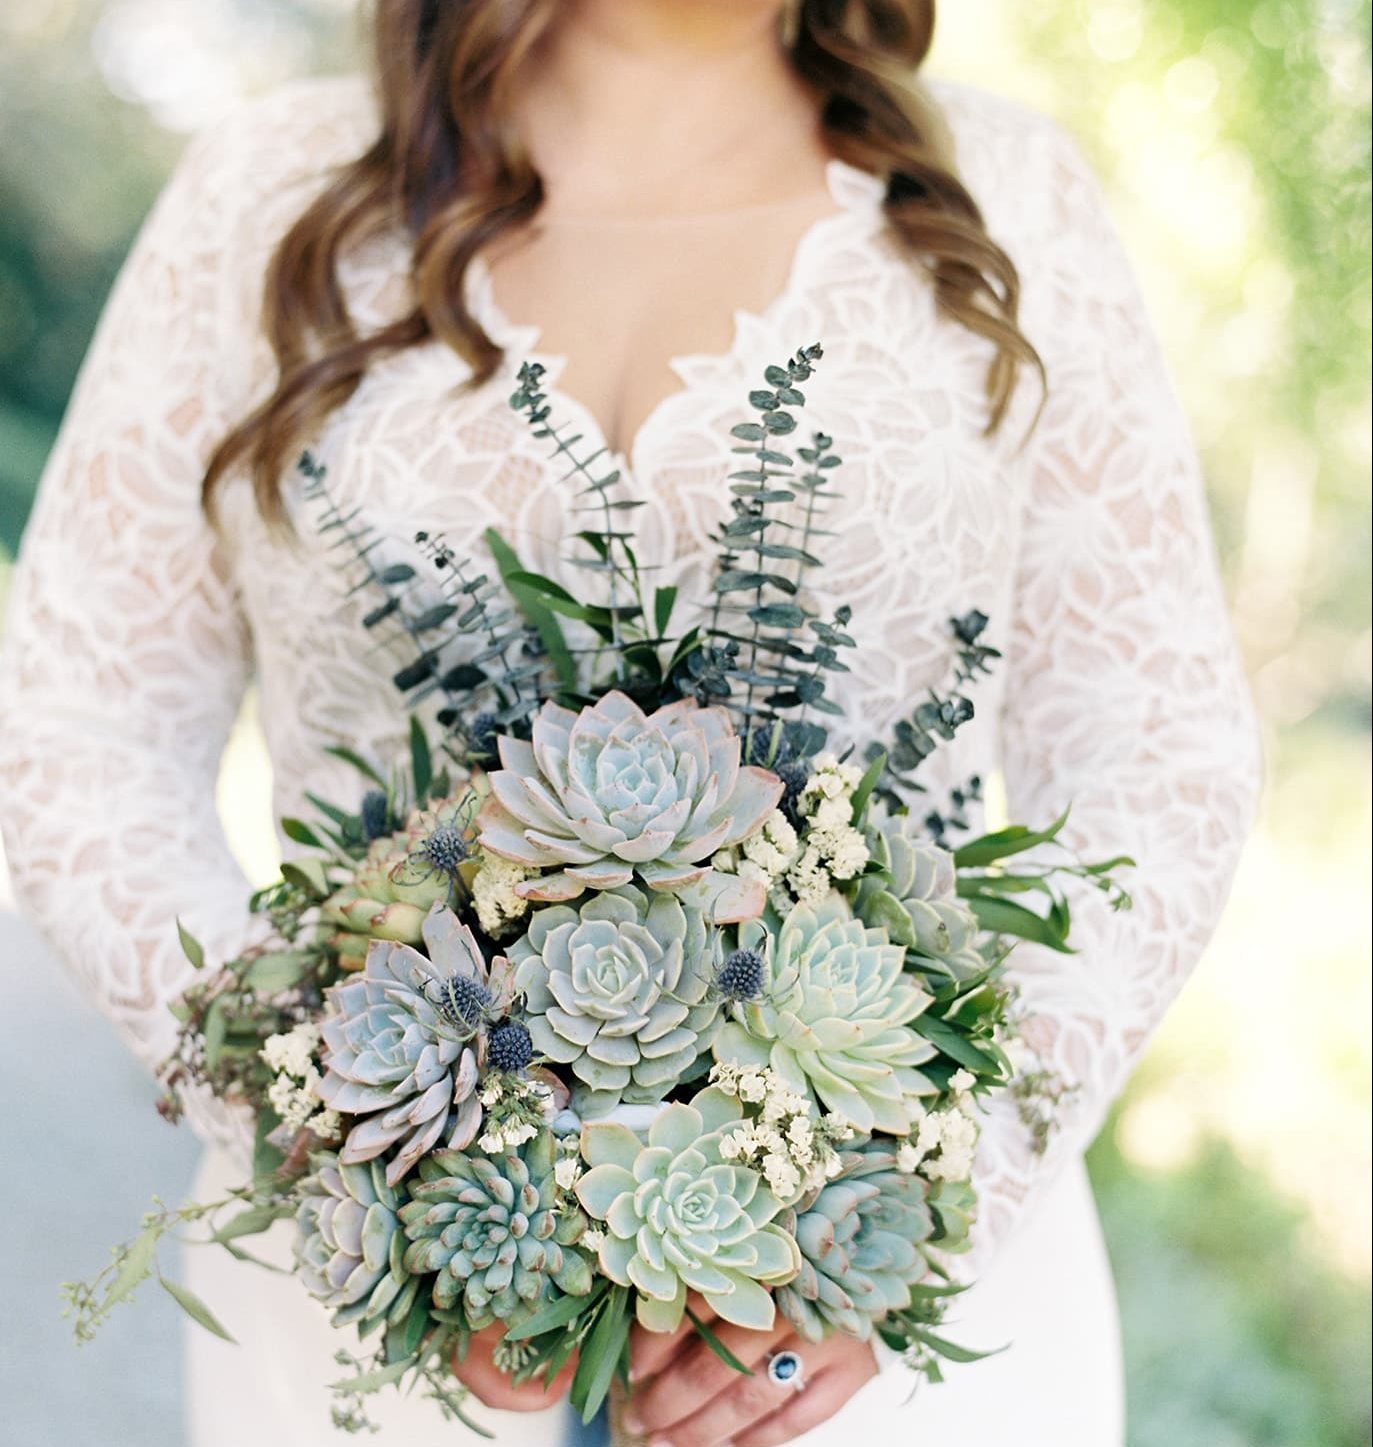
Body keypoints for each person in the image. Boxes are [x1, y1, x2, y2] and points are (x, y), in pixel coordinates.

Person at [0, 2, 1261, 1444]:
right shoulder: (266, 199)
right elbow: (82, 731)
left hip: (876, 1342)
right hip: (370, 1328)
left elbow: (1157, 750)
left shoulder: (1004, 196)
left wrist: (925, 1199)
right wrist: (334, 1138)